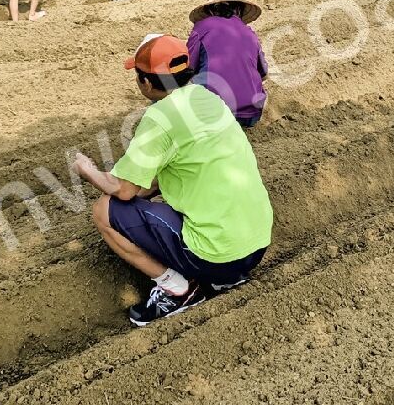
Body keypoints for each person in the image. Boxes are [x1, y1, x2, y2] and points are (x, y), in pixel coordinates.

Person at [71, 34, 273, 326]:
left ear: (147, 83)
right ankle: (223, 278)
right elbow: (156, 179)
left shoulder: (160, 118)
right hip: (257, 244)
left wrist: (88, 170)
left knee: (104, 210)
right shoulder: (207, 97)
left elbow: (124, 190)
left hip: (219, 256)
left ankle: (177, 291)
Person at [187, 0, 268, 127]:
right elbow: (264, 74)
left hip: (212, 113)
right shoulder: (249, 33)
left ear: (210, 10)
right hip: (251, 114)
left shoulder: (201, 28)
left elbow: (187, 67)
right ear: (239, 10)